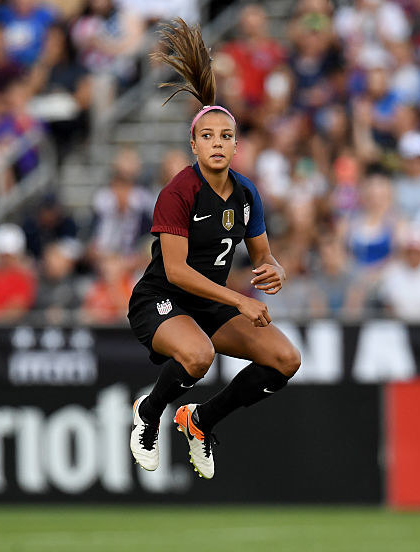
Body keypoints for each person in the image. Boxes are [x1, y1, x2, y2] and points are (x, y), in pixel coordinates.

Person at [127, 20, 301, 480]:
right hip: (161, 301)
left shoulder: (246, 194)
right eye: (208, 136)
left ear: (236, 144)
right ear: (193, 144)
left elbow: (264, 256)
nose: (218, 143)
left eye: (226, 136)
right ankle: (150, 411)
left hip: (208, 305)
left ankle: (201, 421)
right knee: (199, 356)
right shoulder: (179, 191)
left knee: (286, 360)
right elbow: (178, 271)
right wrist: (242, 299)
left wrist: (273, 269)